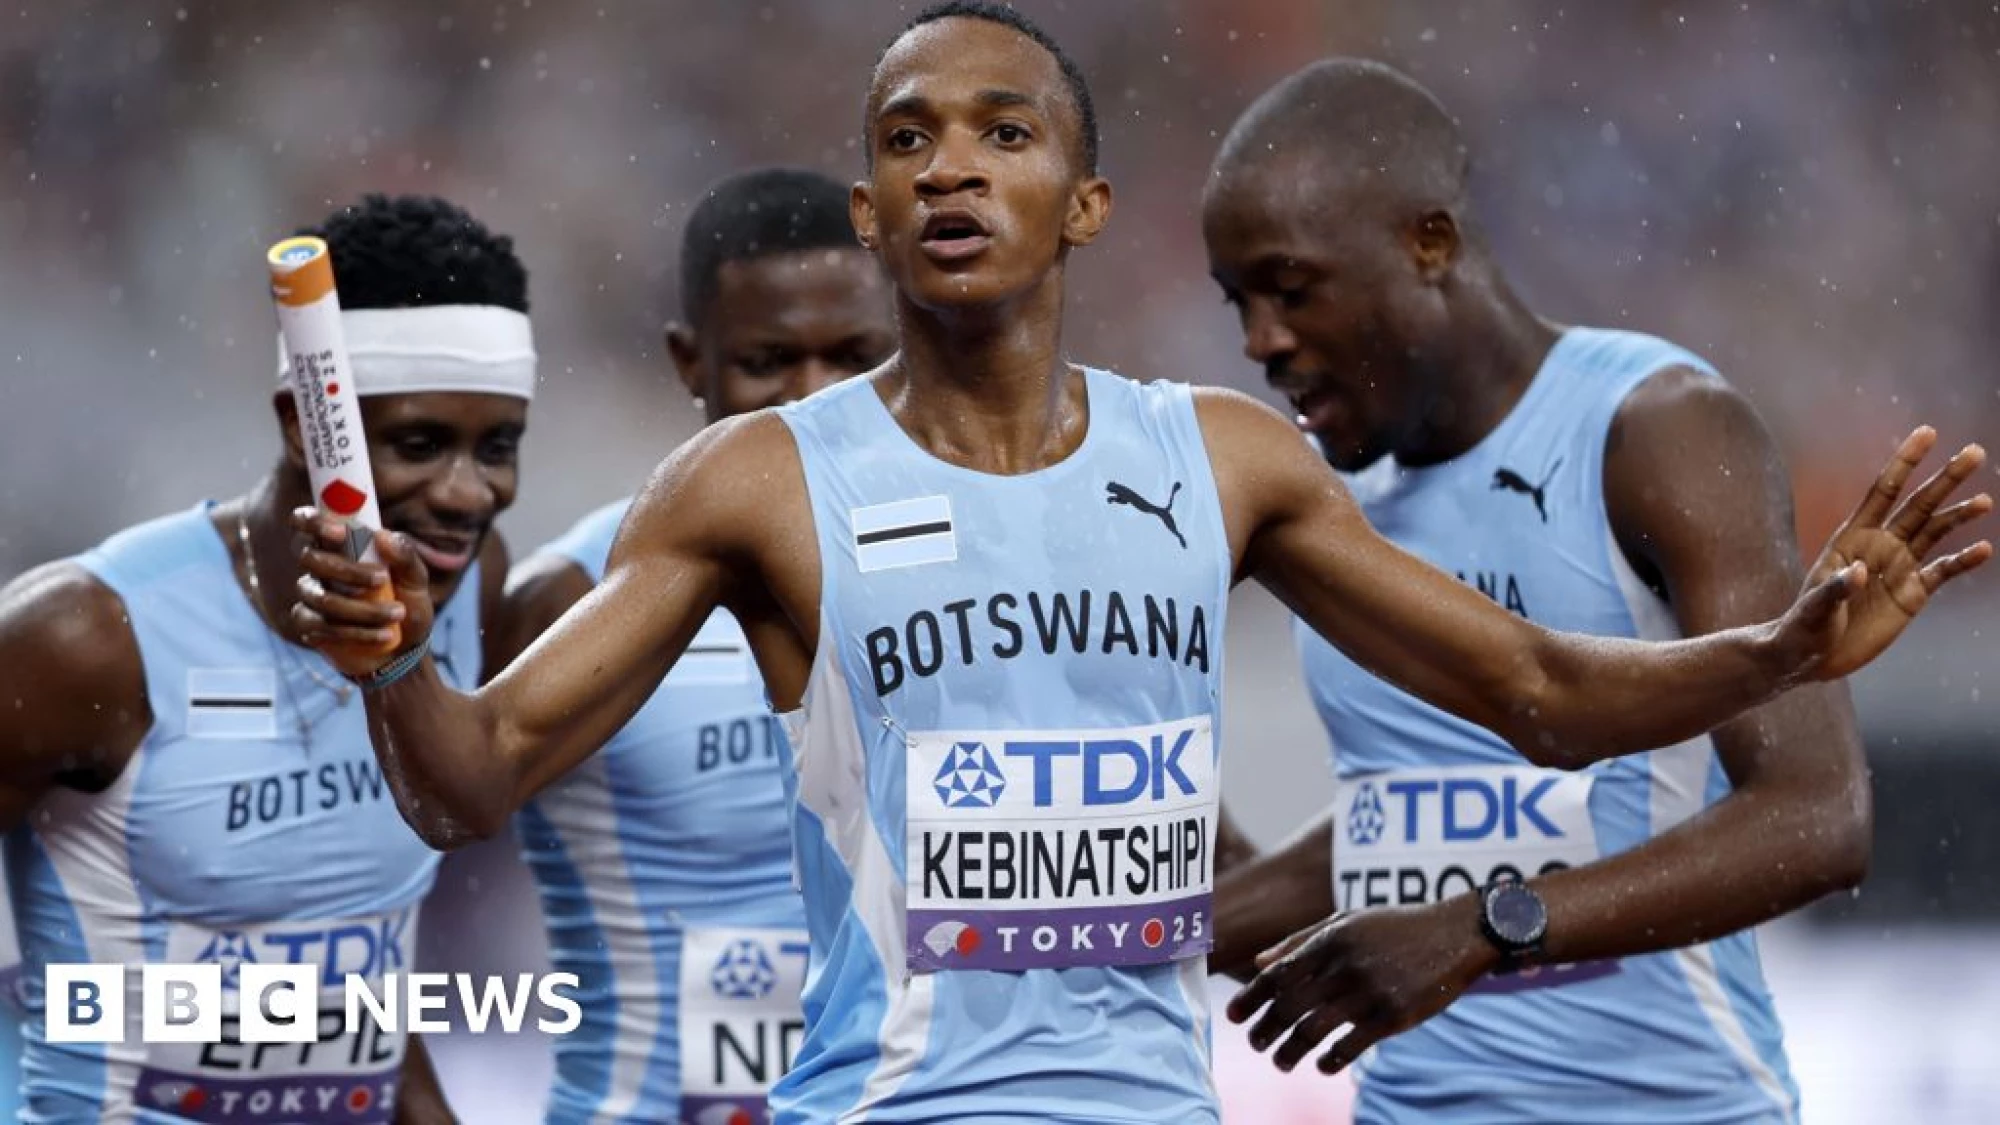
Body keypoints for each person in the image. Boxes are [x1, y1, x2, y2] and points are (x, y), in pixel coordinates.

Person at [286, 7, 1989, 1123]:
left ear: (1087, 205)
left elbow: (1541, 694)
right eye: (907, 140)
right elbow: (470, 777)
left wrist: (1784, 653)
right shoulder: (753, 484)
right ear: (872, 216)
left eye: (1003, 133)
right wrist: (390, 657)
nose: (953, 164)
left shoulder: (1223, 461)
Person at [1204, 58, 1994, 1123]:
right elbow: (1409, 835)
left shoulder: (1656, 430)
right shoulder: (1320, 500)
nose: (1260, 341)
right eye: (1239, 302)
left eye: (1291, 289)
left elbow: (1815, 816)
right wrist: (1137, 911)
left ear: (1427, 243)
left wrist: (1490, 927)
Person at [0, 193, 539, 1123]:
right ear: (304, 423)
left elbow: (353, 993)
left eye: (497, 447)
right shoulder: (87, 638)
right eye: (419, 444)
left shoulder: (464, 592)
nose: (466, 493)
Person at [492, 166, 893, 1125]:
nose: (813, 400)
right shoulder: (573, 595)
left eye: (853, 357)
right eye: (768, 361)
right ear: (689, 361)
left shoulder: (977, 582)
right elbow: (411, 841)